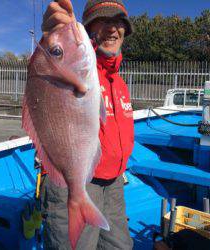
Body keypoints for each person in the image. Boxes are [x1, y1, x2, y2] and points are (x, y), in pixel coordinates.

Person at [40, 0, 134, 249]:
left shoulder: (121, 84)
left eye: (118, 23)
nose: (113, 29)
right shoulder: (71, 71)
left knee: (121, 246)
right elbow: (45, 71)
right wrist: (53, 39)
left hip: (114, 183)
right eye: (103, 22)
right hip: (77, 180)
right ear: (89, 28)